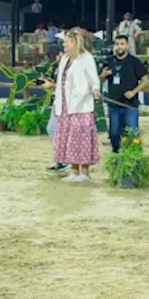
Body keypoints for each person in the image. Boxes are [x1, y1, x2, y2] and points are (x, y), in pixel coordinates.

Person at [48, 28, 102, 183]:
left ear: (73, 42)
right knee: (69, 138)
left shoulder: (87, 58)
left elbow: (94, 79)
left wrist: (95, 89)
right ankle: (73, 170)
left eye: (66, 42)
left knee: (82, 138)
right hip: (66, 104)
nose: (63, 45)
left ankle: (84, 172)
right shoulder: (65, 59)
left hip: (81, 104)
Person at [100, 34, 149, 152]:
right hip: (113, 104)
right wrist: (103, 75)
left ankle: (134, 156)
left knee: (132, 133)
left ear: (127, 46)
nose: (119, 47)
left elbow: (145, 80)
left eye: (122, 44)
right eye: (117, 44)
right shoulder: (108, 61)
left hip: (130, 105)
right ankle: (116, 154)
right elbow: (100, 80)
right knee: (114, 133)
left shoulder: (135, 62)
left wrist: (134, 92)